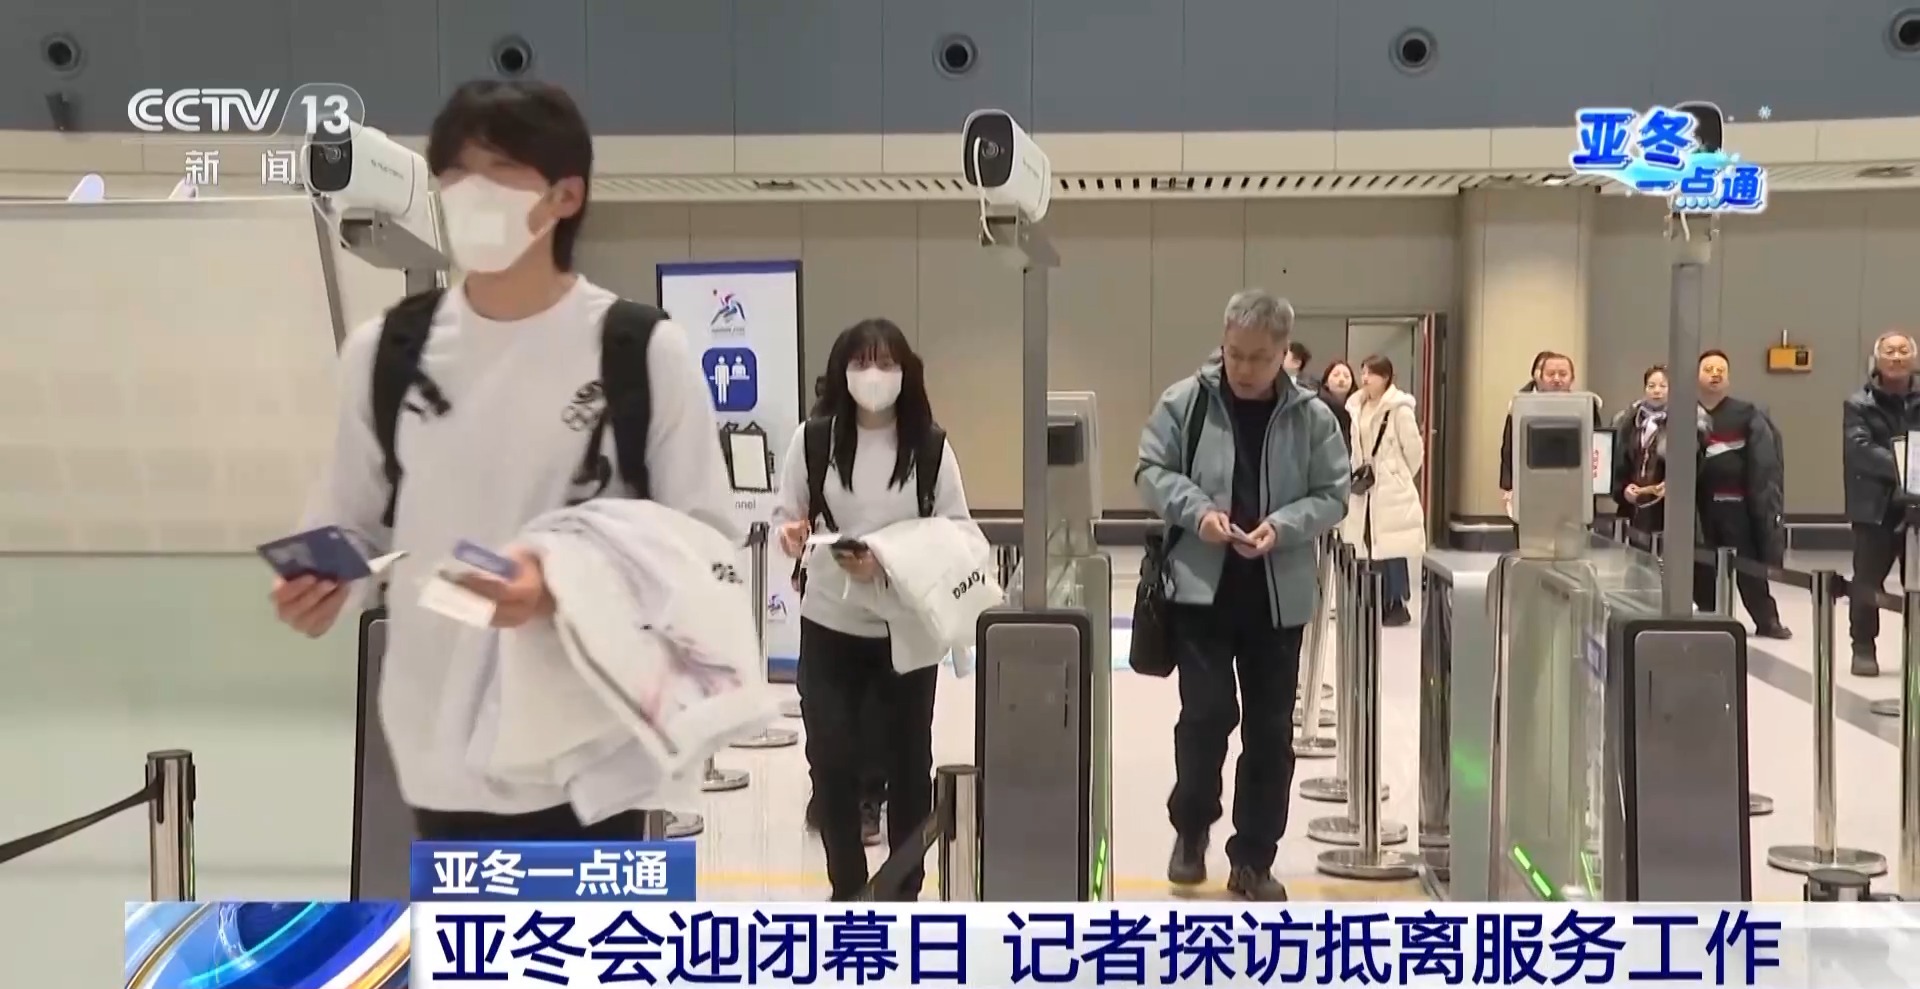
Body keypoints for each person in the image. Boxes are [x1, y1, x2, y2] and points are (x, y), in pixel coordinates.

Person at [271, 80, 736, 840]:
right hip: (436, 754)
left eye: (498, 173)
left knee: (580, 923)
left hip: (590, 757)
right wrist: (325, 583)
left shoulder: (640, 354)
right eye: (454, 174)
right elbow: (349, 517)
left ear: (564, 196)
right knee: (468, 921)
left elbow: (705, 544)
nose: (470, 193)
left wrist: (560, 586)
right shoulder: (385, 355)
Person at [1135, 289, 1350, 901]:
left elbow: (1333, 494)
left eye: (1259, 357)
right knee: (1205, 716)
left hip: (1277, 600)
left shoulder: (1312, 417)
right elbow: (1151, 471)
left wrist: (1283, 526)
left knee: (1271, 733)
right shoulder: (1186, 403)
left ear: (1285, 353)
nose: (1244, 368)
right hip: (1201, 593)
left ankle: (1253, 856)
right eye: (1235, 353)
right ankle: (1191, 826)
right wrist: (1198, 512)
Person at [773, 318, 972, 901]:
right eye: (861, 363)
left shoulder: (929, 447)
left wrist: (886, 562)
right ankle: (848, 888)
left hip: (904, 629)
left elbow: (958, 533)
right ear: (841, 372)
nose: (874, 375)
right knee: (830, 757)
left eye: (886, 363)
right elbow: (788, 515)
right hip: (830, 623)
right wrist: (792, 535)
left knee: (908, 764)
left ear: (906, 372)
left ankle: (903, 892)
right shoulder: (814, 441)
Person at [1693, 350, 1790, 638]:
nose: (1715, 374)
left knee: (1749, 566)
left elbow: (1765, 463)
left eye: (1720, 369)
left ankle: (1767, 620)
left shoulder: (1747, 413)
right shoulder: (1685, 413)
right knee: (1701, 564)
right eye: (1708, 369)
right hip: (1699, 507)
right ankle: (1709, 616)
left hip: (1737, 507)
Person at [1843, 332, 1920, 675]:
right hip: (1876, 507)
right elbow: (1860, 449)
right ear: (1878, 358)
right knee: (1867, 581)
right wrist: (1906, 464)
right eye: (1890, 351)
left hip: (1918, 504)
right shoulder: (1859, 404)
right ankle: (1863, 647)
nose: (1897, 356)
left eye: (1904, 350)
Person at [1341, 355, 1426, 627]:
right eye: (1363, 372)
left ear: (1386, 377)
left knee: (1392, 545)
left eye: (1372, 373)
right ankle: (1374, 601)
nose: (1365, 378)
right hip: (1366, 485)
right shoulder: (1357, 406)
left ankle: (1397, 602)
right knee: (1369, 543)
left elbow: (1414, 451)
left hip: (1390, 486)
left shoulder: (1398, 408)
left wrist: (1396, 474)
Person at [1498, 352, 1602, 516]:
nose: (1557, 379)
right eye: (1551, 374)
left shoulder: (1587, 406)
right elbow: (1509, 448)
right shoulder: (1521, 405)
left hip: (1574, 487)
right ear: (1540, 377)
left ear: (1572, 378)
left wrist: (1596, 484)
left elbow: (1596, 446)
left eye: (1563, 374)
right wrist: (1508, 486)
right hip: (1532, 485)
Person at [1612, 365, 1672, 538]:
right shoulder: (1628, 421)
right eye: (1651, 386)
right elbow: (1619, 461)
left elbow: (1693, 464)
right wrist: (1623, 489)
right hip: (1633, 505)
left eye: (1663, 386)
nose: (1657, 391)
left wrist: (1672, 485)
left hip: (1668, 508)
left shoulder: (1685, 421)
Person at [1317, 359, 1355, 446]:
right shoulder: (1317, 406)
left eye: (1346, 376)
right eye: (1336, 375)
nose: (1341, 379)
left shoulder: (1357, 408)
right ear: (1326, 382)